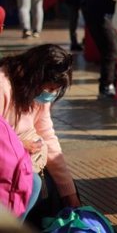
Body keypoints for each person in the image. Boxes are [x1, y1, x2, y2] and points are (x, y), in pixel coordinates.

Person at [0, 44, 80, 220]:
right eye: (50, 89)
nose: (51, 95)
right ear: (35, 77)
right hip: (8, 165)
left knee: (48, 187)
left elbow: (48, 137)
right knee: (32, 183)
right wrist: (19, 147)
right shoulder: (3, 85)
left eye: (55, 91)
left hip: (19, 164)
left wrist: (69, 193)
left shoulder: (37, 93)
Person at [81, 0, 117, 100]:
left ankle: (111, 83)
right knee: (111, 50)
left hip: (96, 11)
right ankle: (106, 86)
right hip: (96, 13)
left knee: (111, 49)